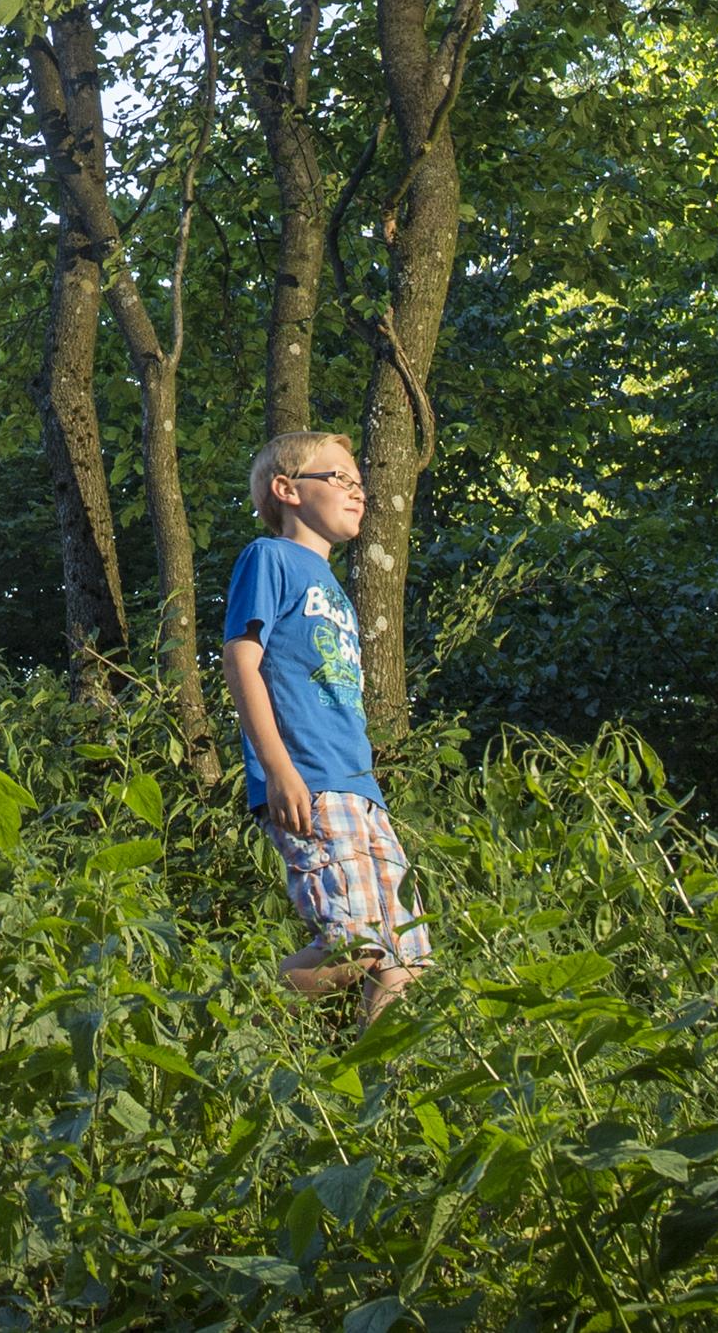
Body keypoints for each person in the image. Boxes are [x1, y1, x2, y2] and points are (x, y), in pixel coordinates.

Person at [222, 431, 430, 1025]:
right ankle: (224, 1019)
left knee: (406, 957)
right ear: (287, 490)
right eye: (340, 478)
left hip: (361, 790)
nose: (357, 491)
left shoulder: (335, 590)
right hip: (309, 780)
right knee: (356, 945)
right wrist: (278, 769)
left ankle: (377, 1081)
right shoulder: (270, 558)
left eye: (360, 482)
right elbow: (241, 659)